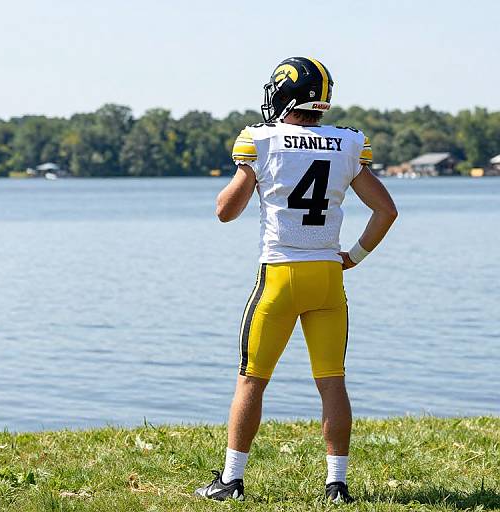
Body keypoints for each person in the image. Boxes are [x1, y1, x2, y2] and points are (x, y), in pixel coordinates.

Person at [194, 56, 398, 503]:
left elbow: (225, 212)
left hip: (280, 277)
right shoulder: (347, 144)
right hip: (328, 278)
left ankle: (231, 480)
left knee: (252, 379)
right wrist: (355, 256)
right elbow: (386, 210)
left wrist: (249, 173)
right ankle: (337, 485)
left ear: (283, 94)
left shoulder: (260, 141)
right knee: (332, 381)